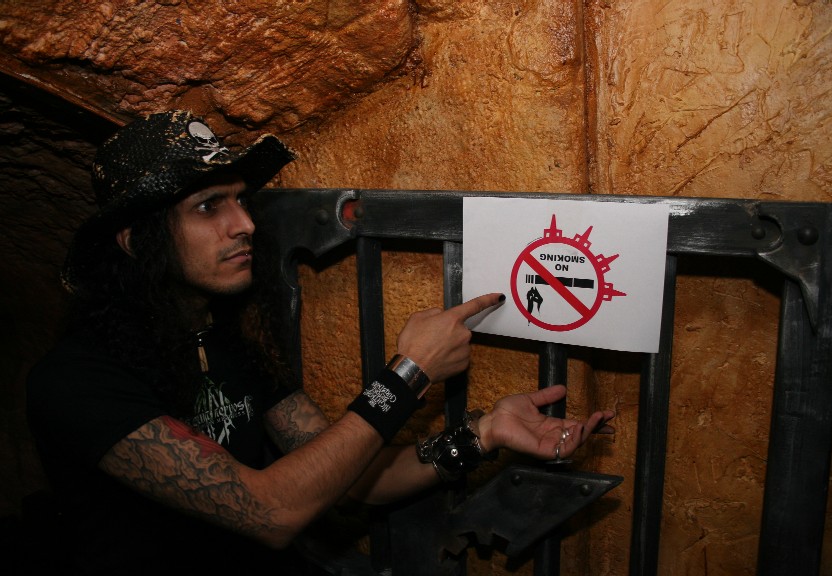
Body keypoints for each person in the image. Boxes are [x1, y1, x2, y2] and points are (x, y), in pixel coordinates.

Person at [25, 110, 614, 575]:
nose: (244, 224)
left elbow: (350, 476)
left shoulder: (227, 341)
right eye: (208, 206)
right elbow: (271, 509)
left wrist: (482, 434)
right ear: (137, 241)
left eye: (241, 200)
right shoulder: (77, 380)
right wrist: (408, 373)